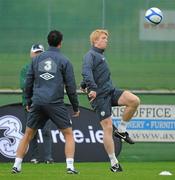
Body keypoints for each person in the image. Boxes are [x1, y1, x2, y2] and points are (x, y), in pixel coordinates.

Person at [12, 30, 80, 174]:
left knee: (28, 134)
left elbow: (28, 82)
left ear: (48, 42)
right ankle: (70, 167)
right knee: (68, 134)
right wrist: (75, 107)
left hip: (38, 101)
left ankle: (16, 165)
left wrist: (28, 101)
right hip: (55, 103)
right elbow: (71, 87)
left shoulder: (36, 60)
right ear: (61, 43)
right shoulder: (65, 61)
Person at [81, 29, 140, 172]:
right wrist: (92, 88)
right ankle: (114, 163)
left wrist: (84, 84)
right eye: (103, 38)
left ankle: (121, 130)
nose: (106, 40)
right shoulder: (90, 55)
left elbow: (93, 74)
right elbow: (86, 71)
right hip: (99, 96)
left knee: (134, 101)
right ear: (95, 41)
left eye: (106, 38)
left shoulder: (100, 56)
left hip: (110, 91)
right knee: (107, 128)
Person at [19, 44, 54, 164]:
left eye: (40, 53)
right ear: (31, 54)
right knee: (31, 132)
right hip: (30, 104)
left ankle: (48, 158)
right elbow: (24, 86)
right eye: (36, 53)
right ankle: (34, 158)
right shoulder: (26, 68)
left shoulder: (48, 68)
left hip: (46, 103)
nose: (38, 55)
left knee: (46, 131)